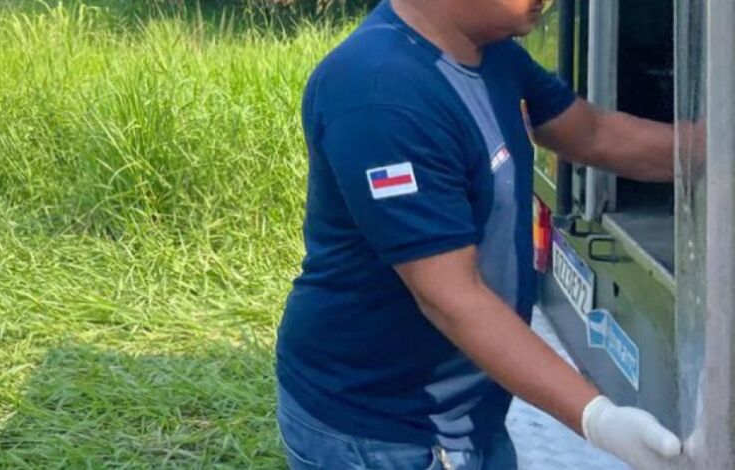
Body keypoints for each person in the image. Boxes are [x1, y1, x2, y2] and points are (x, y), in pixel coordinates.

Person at [275, 0, 682, 468]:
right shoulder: (380, 93)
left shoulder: (490, 51)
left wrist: (714, 146)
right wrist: (598, 419)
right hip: (381, 432)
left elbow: (592, 133)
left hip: (469, 413)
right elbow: (452, 298)